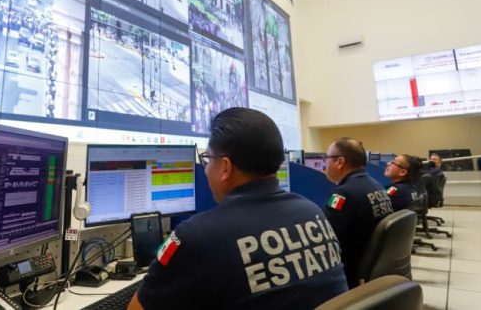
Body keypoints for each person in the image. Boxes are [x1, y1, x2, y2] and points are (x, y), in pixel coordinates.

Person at [130, 108, 348, 310]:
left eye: (208, 159)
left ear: (225, 167)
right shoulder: (313, 212)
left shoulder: (199, 235)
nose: (205, 170)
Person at [323, 138, 393, 288]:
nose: (325, 163)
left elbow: (325, 237)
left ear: (340, 162)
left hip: (348, 271)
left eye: (327, 158)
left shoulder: (344, 193)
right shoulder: (376, 185)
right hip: (372, 265)